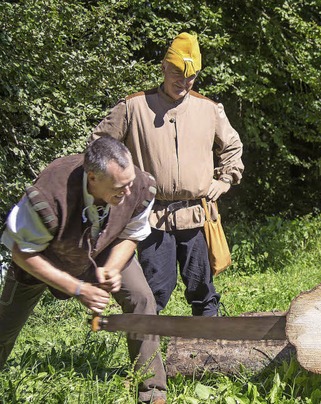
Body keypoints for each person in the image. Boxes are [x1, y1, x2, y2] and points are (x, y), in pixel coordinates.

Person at [0, 137, 167, 403]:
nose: (127, 191)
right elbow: (22, 252)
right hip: (43, 259)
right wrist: (77, 288)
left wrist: (112, 268)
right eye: (119, 187)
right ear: (93, 178)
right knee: (4, 328)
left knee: (141, 299)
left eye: (129, 182)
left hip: (102, 249)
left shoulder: (139, 186)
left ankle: (152, 392)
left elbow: (132, 233)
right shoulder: (48, 194)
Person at [91, 32, 244, 317]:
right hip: (150, 217)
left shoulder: (209, 110)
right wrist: (116, 188)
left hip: (197, 216)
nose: (183, 82)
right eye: (176, 73)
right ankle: (150, 358)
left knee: (203, 292)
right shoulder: (133, 107)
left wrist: (224, 180)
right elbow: (98, 146)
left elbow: (233, 147)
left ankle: (210, 351)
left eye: (190, 77)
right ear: (163, 67)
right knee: (154, 293)